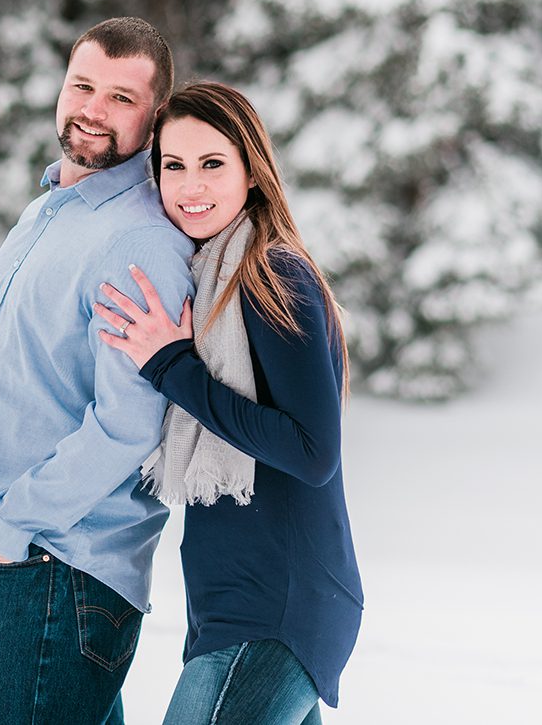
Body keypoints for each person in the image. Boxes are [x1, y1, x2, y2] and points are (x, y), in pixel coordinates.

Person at [92, 82, 363, 725]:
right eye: (173, 165)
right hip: (235, 609)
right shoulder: (212, 278)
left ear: (252, 171)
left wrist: (170, 367)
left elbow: (311, 451)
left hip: (276, 613)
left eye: (212, 164)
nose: (191, 186)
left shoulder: (273, 277)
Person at [0, 17, 195, 725]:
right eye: (83, 85)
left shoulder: (138, 237)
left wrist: (9, 526)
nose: (92, 107)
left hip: (52, 565)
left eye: (121, 97)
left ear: (153, 119)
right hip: (18, 562)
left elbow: (128, 422)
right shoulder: (50, 210)